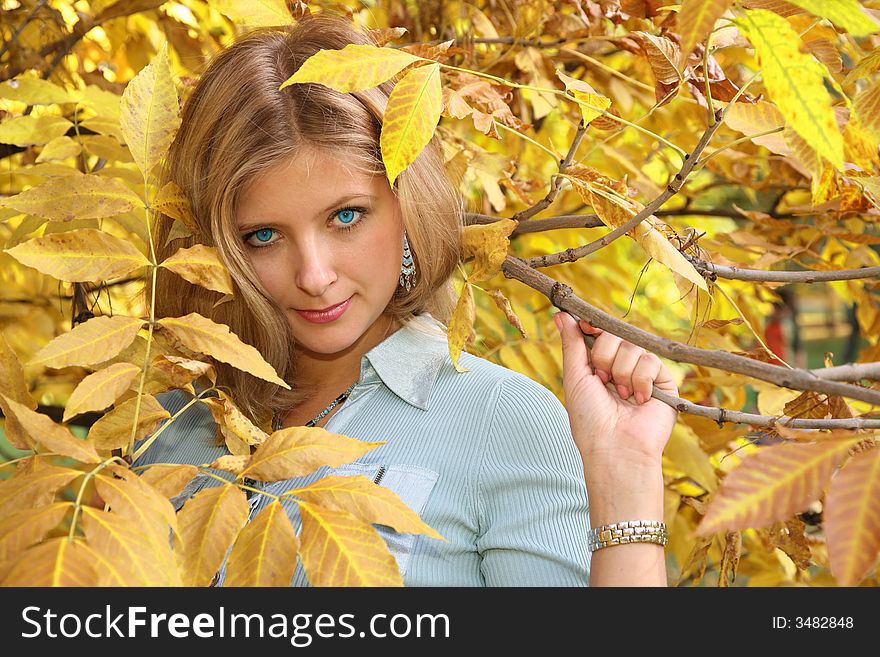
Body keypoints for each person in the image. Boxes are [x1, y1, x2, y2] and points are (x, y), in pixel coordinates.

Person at [134, 12, 678, 587]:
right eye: (262, 236)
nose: (314, 276)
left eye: (346, 217)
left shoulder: (502, 418)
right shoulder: (169, 422)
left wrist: (625, 478)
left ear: (406, 206)